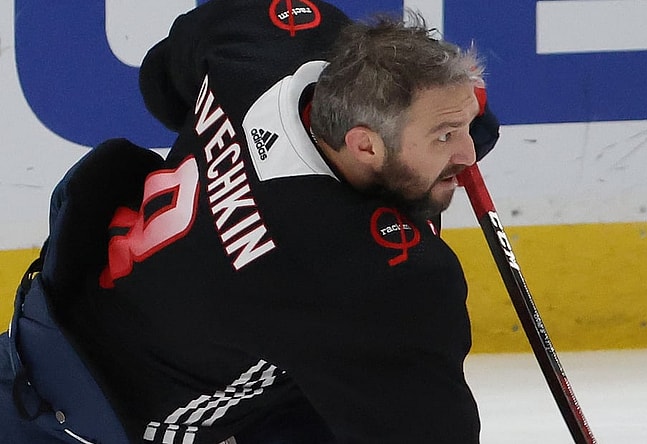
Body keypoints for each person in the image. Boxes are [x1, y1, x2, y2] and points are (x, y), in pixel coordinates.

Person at [0, 0, 500, 443]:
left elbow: (161, 78)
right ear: (364, 144)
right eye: (446, 134)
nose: (469, 150)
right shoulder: (360, 274)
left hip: (70, 313)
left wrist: (438, 130)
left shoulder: (267, 38)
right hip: (97, 412)